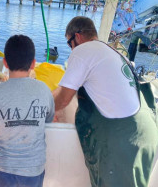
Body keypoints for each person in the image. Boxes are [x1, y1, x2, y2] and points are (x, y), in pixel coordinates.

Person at [53, 16, 158, 187]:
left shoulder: (83, 51)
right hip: (146, 133)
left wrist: (42, 112)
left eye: (69, 43)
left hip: (124, 141)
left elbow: (64, 99)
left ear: (77, 37)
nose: (71, 49)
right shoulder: (113, 53)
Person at [0, 34, 55, 187]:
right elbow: (48, 119)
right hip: (33, 170)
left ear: (5, 63)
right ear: (33, 64)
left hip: (2, 170)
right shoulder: (44, 90)